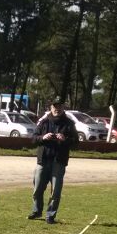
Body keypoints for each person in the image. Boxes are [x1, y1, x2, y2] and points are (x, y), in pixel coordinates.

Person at [27, 96, 77, 224]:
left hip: (59, 162)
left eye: (59, 106)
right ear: (51, 107)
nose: (57, 109)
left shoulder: (69, 124)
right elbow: (33, 139)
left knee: (56, 191)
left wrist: (64, 139)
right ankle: (37, 211)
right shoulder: (44, 122)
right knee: (37, 188)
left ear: (63, 107)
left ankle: (50, 215)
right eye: (55, 106)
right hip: (43, 160)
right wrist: (43, 137)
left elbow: (76, 143)